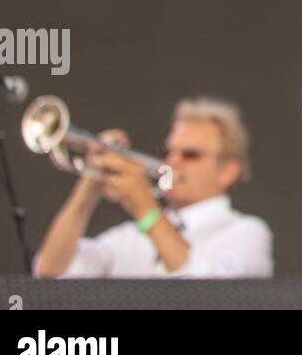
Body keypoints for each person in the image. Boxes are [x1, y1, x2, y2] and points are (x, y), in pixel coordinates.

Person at [33, 96, 273, 279]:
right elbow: (50, 273)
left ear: (228, 171)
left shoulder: (245, 232)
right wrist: (88, 188)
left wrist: (145, 208)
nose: (173, 161)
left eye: (190, 154)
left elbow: (204, 293)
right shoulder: (129, 236)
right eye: (168, 152)